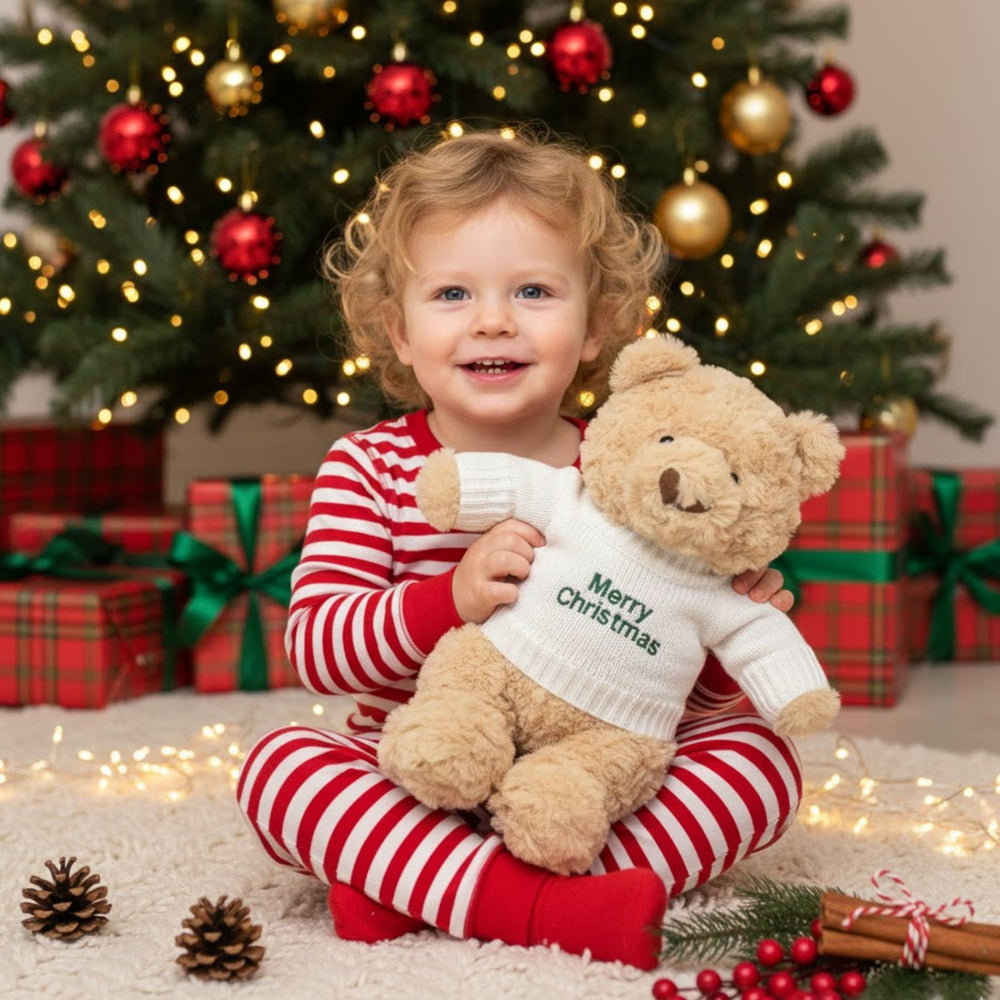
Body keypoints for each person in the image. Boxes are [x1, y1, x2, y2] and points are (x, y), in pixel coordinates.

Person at [236, 126, 800, 971]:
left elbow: (671, 695)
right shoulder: (369, 467)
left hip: (593, 789)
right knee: (281, 769)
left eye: (534, 291)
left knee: (760, 759)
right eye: (453, 295)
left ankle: (421, 887)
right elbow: (320, 650)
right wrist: (449, 600)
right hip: (418, 774)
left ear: (597, 326)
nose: (493, 320)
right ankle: (541, 907)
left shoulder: (634, 475)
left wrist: (722, 647)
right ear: (398, 331)